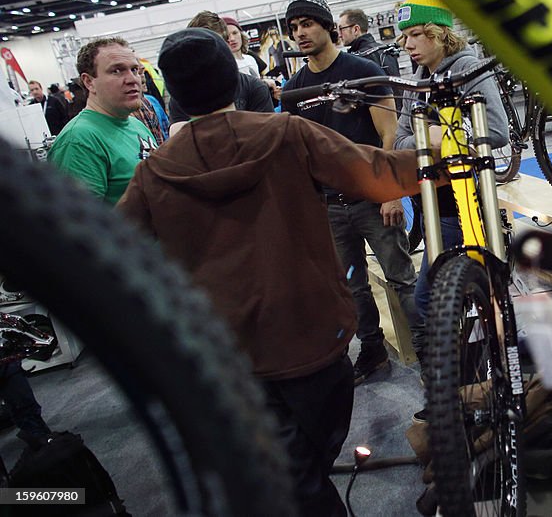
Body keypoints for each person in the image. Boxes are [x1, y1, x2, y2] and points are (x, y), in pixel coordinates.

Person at [117, 27, 423, 517]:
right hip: (313, 333)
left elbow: (113, 252)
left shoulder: (154, 172)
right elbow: (377, 171)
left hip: (226, 350)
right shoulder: (286, 134)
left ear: (171, 93)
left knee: (292, 469)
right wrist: (447, 159)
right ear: (233, 80)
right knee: (305, 469)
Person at [282, 0, 420, 383]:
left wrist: (391, 191)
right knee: (351, 287)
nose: (300, 33)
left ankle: (431, 353)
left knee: (401, 279)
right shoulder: (294, 90)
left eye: (307, 23)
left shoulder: (363, 71)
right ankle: (373, 352)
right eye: (294, 27)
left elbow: (389, 132)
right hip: (329, 205)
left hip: (373, 198)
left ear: (328, 27)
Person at [393, 0, 510, 337]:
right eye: (404, 36)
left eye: (415, 34)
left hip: (470, 202)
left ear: (439, 31)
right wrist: (427, 139)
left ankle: (468, 373)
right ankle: (463, 373)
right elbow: (402, 141)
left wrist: (443, 137)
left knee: (434, 297)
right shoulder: (417, 81)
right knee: (445, 297)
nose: (407, 44)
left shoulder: (466, 68)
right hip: (433, 204)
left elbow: (496, 131)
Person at [48, 37, 159, 204]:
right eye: (117, 71)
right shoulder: (78, 140)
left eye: (134, 70)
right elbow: (81, 223)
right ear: (89, 82)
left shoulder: (135, 124)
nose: (132, 79)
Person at [166, 12, 275, 128]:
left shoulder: (253, 88)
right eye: (199, 48)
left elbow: (269, 137)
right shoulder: (181, 99)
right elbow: (179, 138)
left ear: (225, 45)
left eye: (213, 46)